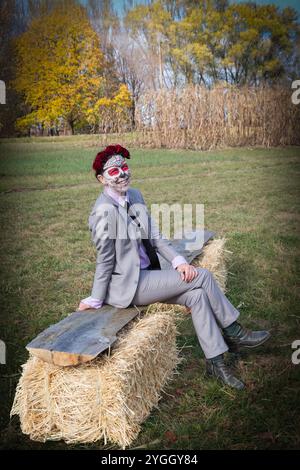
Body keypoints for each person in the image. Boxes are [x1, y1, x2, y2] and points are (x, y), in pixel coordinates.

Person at [78, 144, 271, 390]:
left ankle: (216, 363)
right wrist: (95, 298)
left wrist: (178, 261)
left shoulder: (134, 195)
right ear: (101, 179)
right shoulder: (102, 213)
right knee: (202, 276)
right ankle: (235, 332)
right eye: (114, 171)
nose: (123, 174)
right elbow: (104, 260)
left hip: (149, 275)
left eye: (125, 167)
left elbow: (155, 236)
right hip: (129, 284)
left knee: (198, 296)